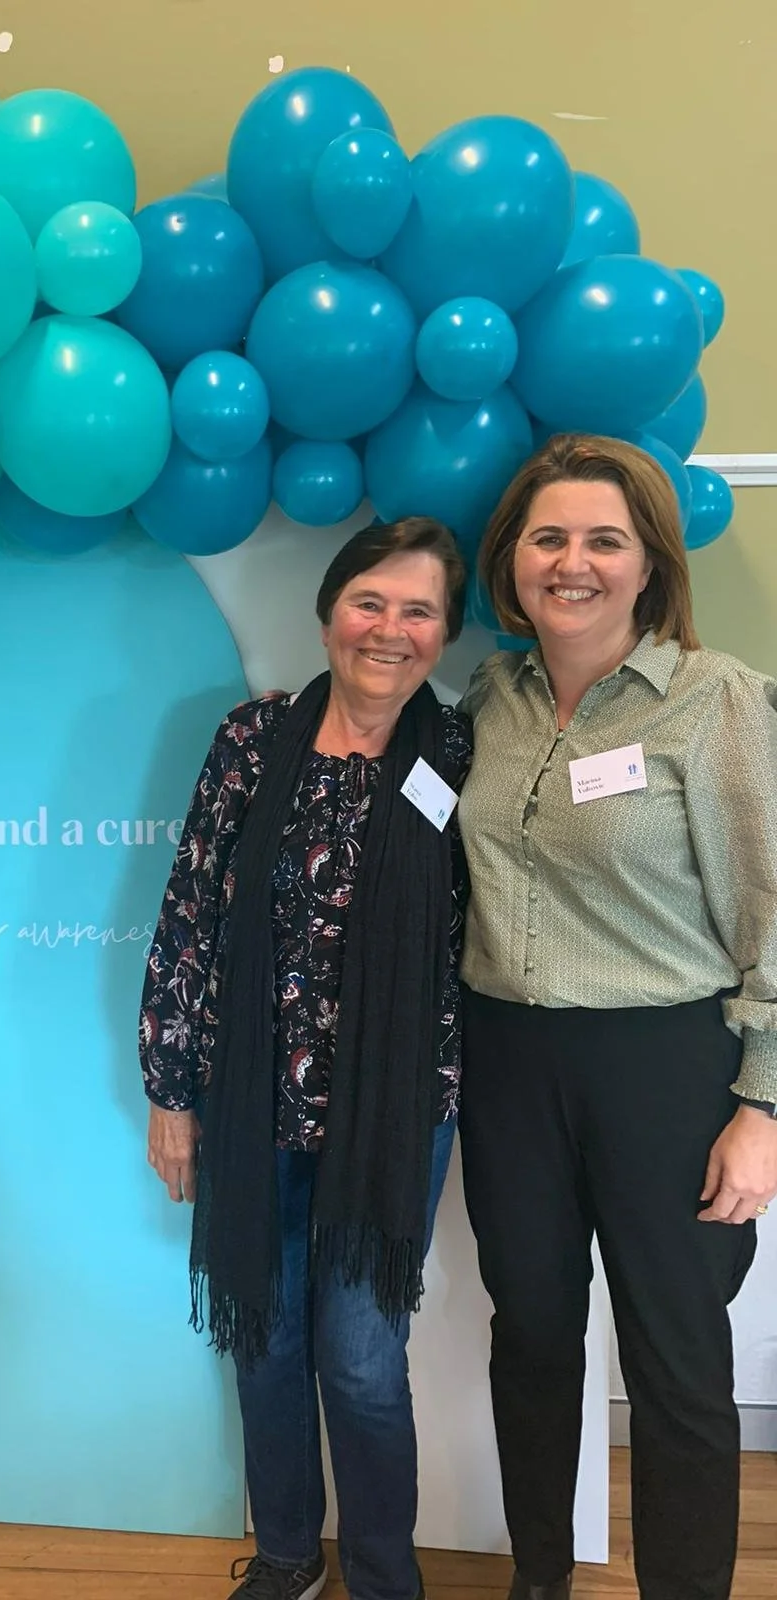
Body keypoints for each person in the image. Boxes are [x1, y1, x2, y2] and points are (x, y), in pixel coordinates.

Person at [458, 433, 777, 1600]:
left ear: (651, 565)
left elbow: (773, 908)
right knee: (532, 1337)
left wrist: (765, 1104)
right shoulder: (490, 700)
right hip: (509, 1062)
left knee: (679, 1362)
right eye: (549, 537)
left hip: (666, 1069)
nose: (573, 561)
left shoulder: (717, 701)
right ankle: (540, 1578)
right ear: (513, 560)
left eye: (605, 539)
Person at [139, 518, 472, 1600]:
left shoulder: (463, 755)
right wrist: (171, 1094)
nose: (390, 628)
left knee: (364, 1362)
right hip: (253, 1103)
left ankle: (382, 1575)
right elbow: (190, 913)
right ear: (330, 611)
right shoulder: (253, 739)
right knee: (267, 1343)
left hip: (395, 1109)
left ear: (446, 633)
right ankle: (287, 1556)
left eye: (418, 609)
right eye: (370, 601)